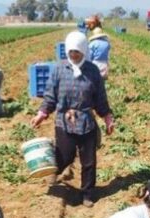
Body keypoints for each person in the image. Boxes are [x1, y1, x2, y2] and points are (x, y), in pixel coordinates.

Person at [30, 31, 115, 208]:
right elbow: (50, 96)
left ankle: (87, 193)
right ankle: (55, 170)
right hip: (64, 121)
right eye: (71, 52)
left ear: (84, 50)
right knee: (65, 155)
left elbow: (100, 97)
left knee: (89, 161)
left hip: (86, 121)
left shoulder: (92, 71)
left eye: (77, 52)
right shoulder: (59, 69)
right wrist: (42, 114)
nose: (74, 55)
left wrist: (107, 117)